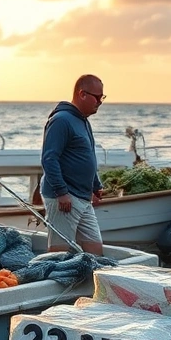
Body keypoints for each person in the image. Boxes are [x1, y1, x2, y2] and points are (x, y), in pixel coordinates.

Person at [40, 74, 106, 256]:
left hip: (83, 198)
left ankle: (89, 283)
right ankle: (51, 283)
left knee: (95, 251)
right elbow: (49, 158)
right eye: (97, 97)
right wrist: (62, 192)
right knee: (59, 253)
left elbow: (88, 154)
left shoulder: (83, 121)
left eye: (103, 97)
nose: (100, 102)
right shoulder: (61, 120)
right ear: (82, 94)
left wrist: (95, 185)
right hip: (65, 198)